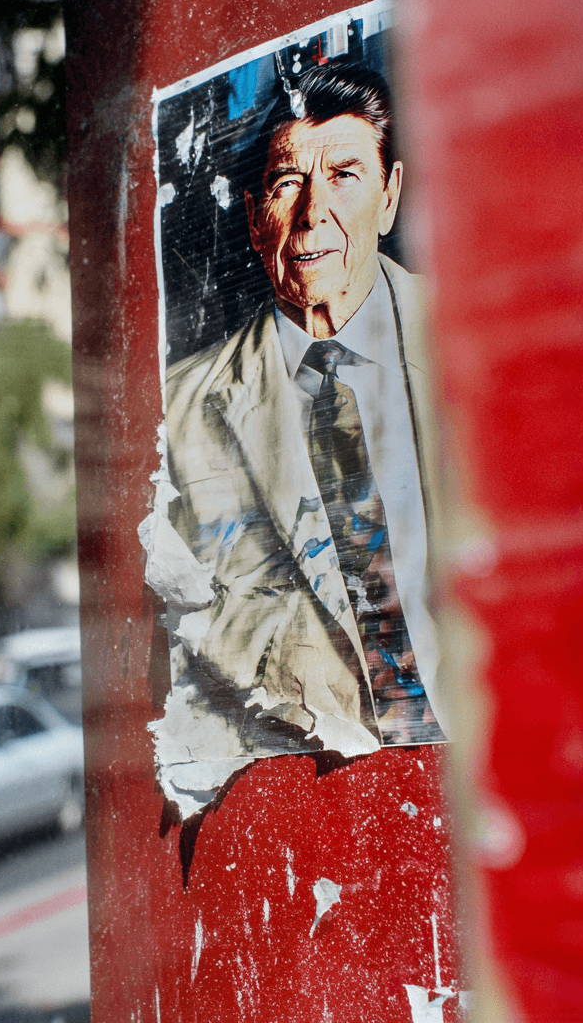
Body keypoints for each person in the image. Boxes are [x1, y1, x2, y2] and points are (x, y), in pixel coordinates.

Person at [152, 60, 446, 816]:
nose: (315, 211)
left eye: (345, 173)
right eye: (288, 184)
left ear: (391, 194)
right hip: (314, 813)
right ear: (255, 220)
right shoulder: (180, 413)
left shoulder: (487, 345)